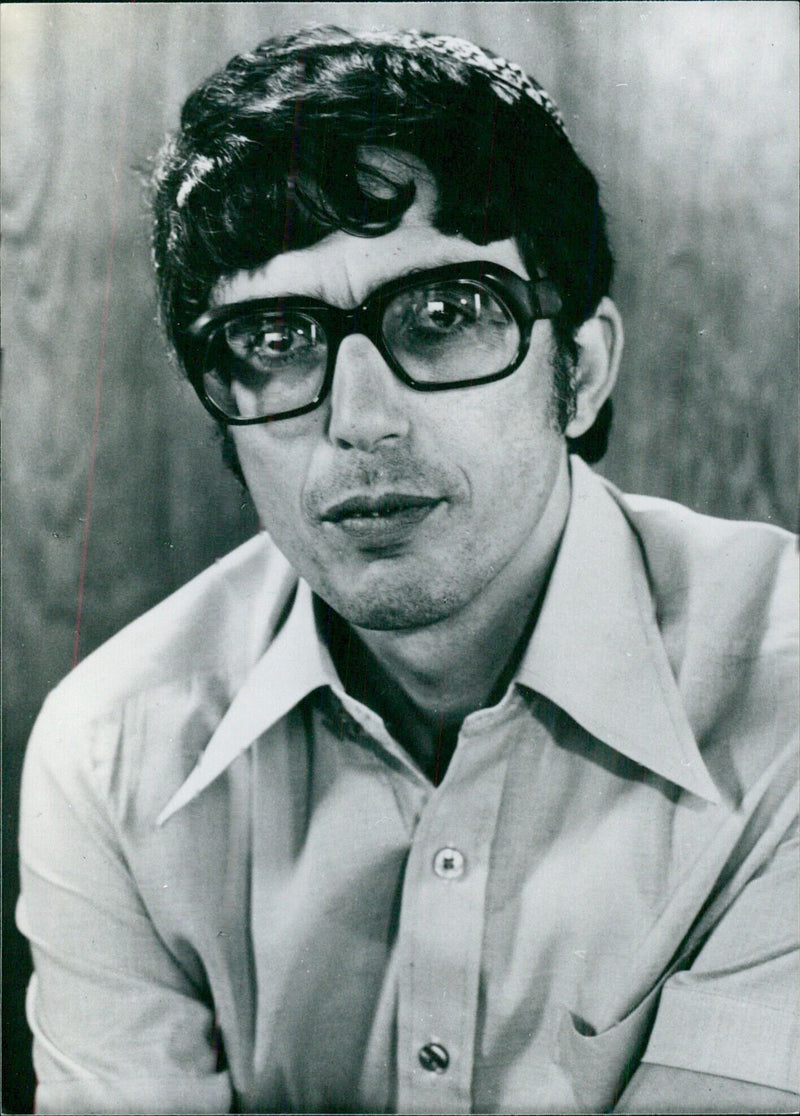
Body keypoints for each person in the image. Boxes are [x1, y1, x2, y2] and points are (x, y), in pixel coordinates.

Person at [17, 26, 798, 1115]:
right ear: (225, 418)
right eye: (274, 340)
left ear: (575, 371)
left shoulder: (786, 694)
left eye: (443, 315)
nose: (358, 422)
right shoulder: (110, 749)